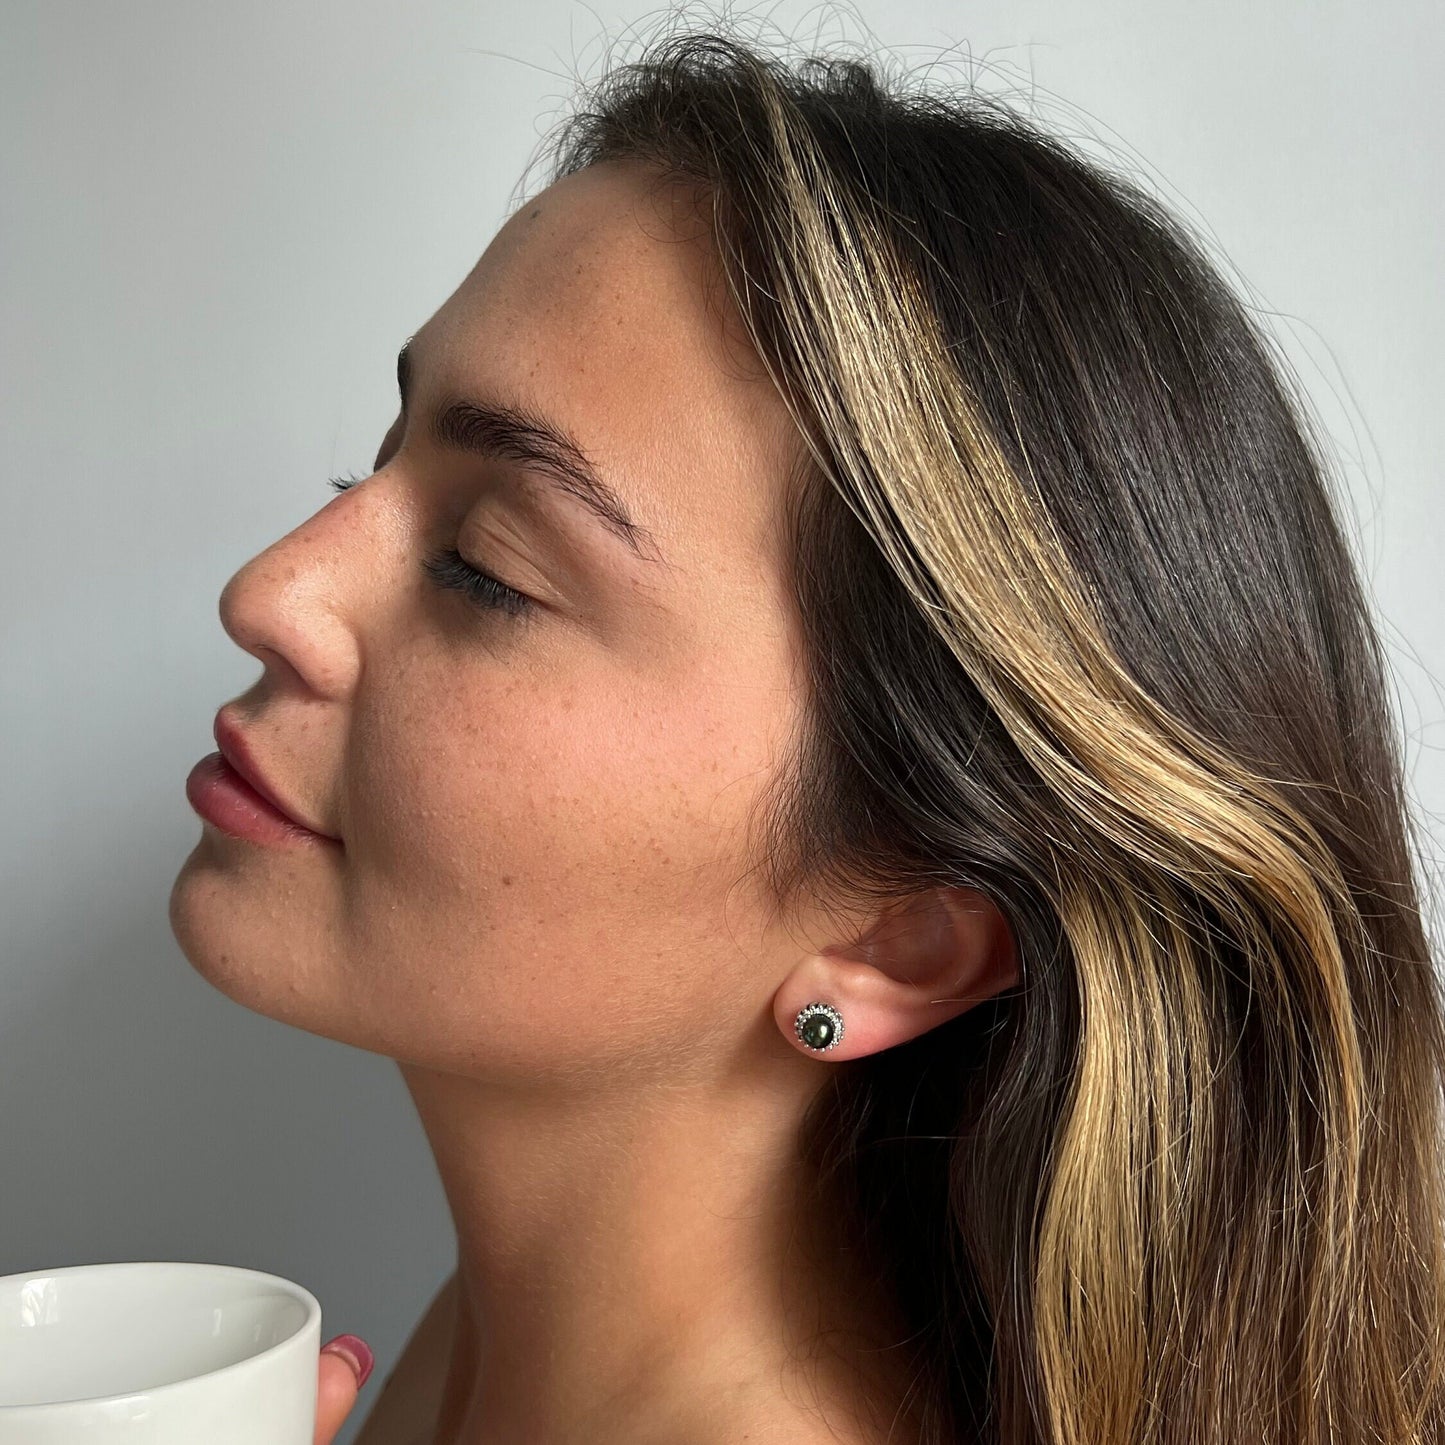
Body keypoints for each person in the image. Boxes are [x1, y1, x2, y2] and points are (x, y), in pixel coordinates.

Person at [174, 22, 1445, 1445]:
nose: (271, 588)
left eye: (489, 565)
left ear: (901, 937)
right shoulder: (513, 1345)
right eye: (380, 458)